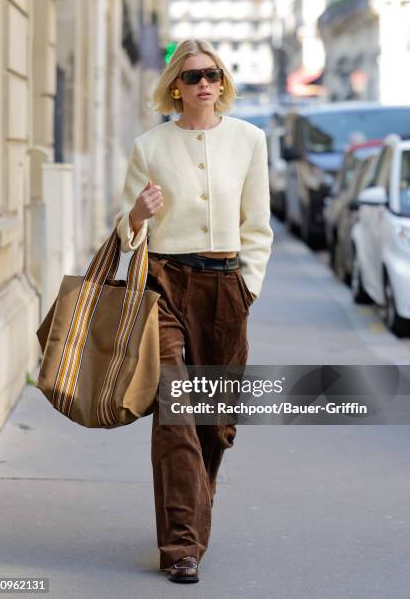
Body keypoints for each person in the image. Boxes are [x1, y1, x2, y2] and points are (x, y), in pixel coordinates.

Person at [115, 39, 274, 583]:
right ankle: (181, 546)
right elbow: (127, 232)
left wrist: (248, 285)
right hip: (164, 285)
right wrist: (136, 215)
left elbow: (259, 226)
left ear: (222, 82)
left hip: (226, 288)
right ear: (175, 87)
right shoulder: (150, 146)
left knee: (217, 425)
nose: (204, 83)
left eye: (213, 74)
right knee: (176, 410)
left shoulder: (250, 141)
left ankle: (191, 510)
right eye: (193, 76)